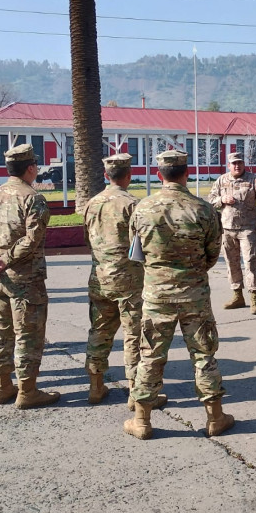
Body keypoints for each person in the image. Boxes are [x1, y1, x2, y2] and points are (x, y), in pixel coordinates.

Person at [124, 149, 234, 441]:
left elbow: (135, 253)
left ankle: (142, 420)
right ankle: (215, 417)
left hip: (156, 294)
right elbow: (212, 254)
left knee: (150, 355)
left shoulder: (142, 208)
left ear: (159, 175)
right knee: (203, 355)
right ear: (187, 173)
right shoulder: (203, 209)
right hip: (194, 293)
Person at [0, 143, 59, 409]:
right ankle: (27, 391)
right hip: (25, 279)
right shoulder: (32, 198)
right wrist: (2, 260)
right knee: (28, 335)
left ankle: (2, 386)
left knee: (2, 332)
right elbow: (32, 239)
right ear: (31, 168)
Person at [82, 152, 165, 411]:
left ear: (106, 176)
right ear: (129, 175)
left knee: (99, 330)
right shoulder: (133, 204)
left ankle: (95, 386)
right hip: (128, 280)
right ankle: (135, 392)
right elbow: (141, 245)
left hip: (99, 277)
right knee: (134, 335)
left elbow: (88, 240)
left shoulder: (91, 203)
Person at [208, 151, 256, 315]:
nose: (237, 166)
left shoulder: (253, 179)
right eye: (234, 163)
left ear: (244, 164)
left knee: (250, 262)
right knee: (231, 263)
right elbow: (210, 200)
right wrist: (222, 200)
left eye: (240, 163)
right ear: (229, 165)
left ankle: (254, 298)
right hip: (227, 229)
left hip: (247, 229)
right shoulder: (222, 180)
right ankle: (237, 296)